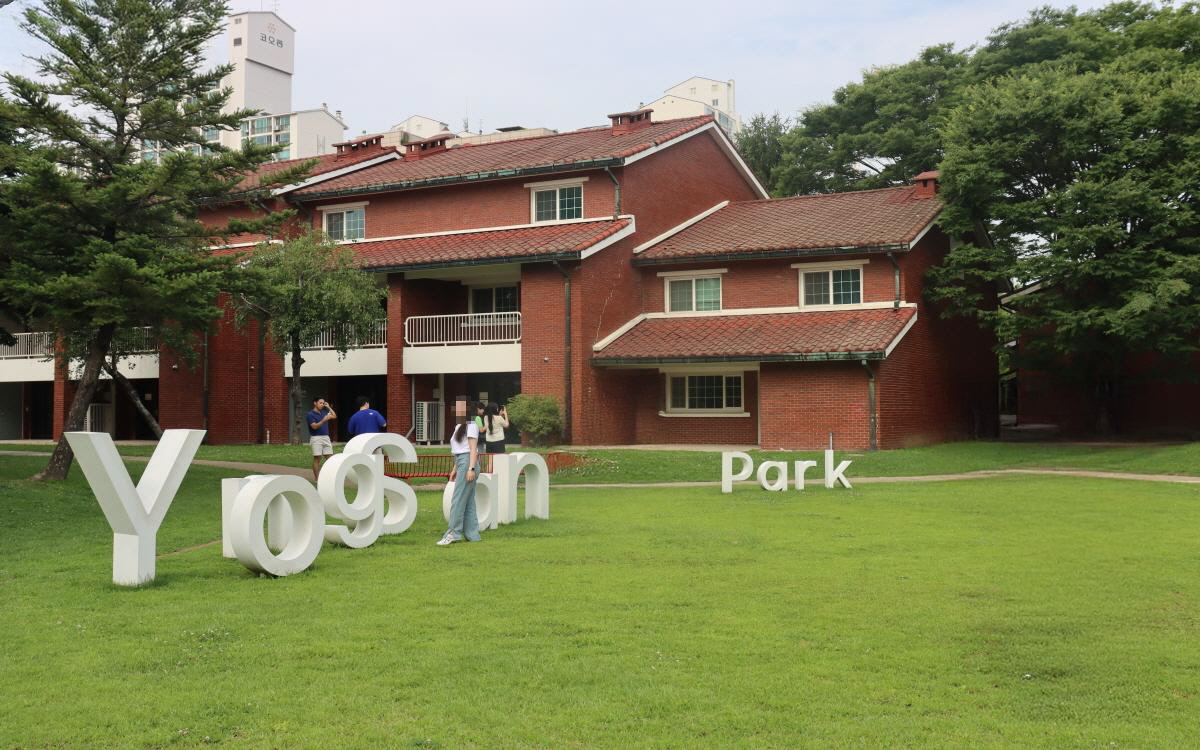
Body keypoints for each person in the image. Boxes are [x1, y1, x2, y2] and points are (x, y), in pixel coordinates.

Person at [438, 397, 481, 546]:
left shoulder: (471, 425)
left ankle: (453, 533)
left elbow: (473, 450)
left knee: (457, 500)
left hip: (469, 463)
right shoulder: (459, 426)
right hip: (462, 462)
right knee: (468, 501)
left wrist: (471, 469)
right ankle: (473, 535)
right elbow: (459, 450)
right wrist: (455, 468)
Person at [307, 397, 336, 480]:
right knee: (317, 458)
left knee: (329, 458)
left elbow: (334, 416)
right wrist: (323, 420)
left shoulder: (324, 412)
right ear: (315, 403)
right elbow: (314, 427)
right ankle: (317, 478)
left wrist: (329, 407)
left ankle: (329, 477)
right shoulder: (310, 414)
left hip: (326, 437)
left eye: (323, 403)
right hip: (316, 438)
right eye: (320, 403)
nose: (322, 404)